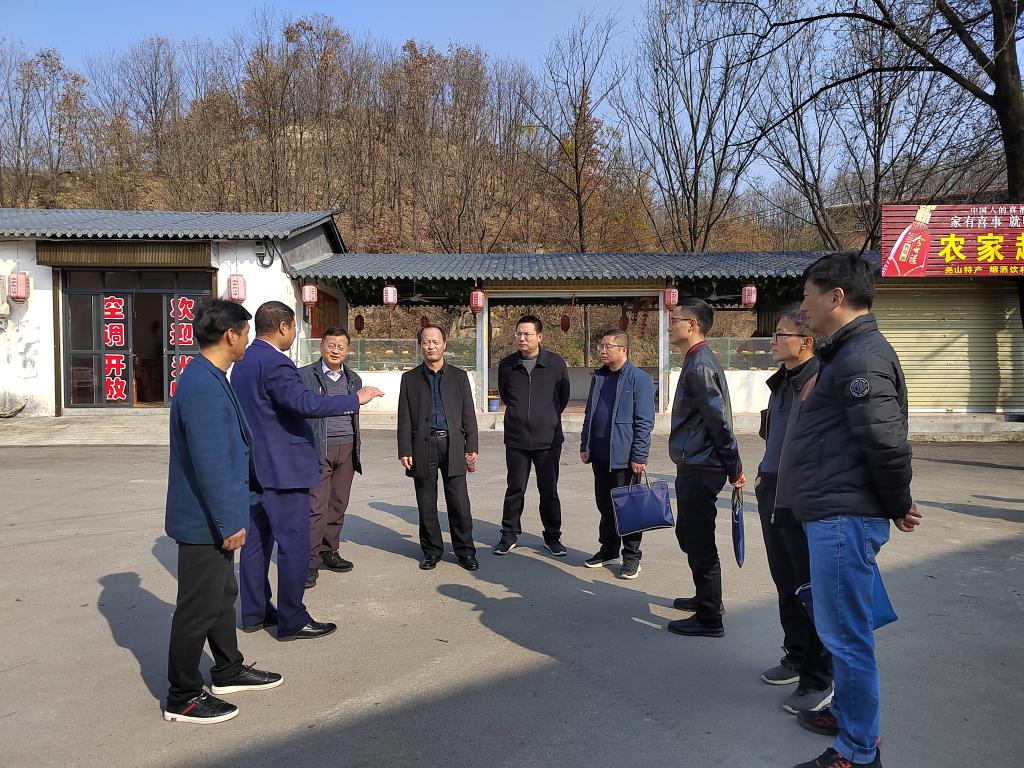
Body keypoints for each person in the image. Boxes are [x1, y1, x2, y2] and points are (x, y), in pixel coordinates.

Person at [788, 253, 921, 768]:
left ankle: (858, 751)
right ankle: (845, 712)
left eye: (808, 296)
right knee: (840, 630)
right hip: (836, 510)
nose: (804, 307)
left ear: (836, 297)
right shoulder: (847, 353)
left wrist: (897, 501)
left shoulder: (861, 358)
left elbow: (886, 443)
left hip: (844, 518)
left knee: (847, 638)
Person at [231, 301, 382, 641]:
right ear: (283, 327)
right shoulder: (277, 363)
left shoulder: (244, 361)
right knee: (294, 543)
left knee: (256, 543)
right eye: (294, 326)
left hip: (254, 465)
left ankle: (255, 612)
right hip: (284, 469)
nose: (294, 332)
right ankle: (292, 618)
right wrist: (355, 400)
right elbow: (305, 403)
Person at [163, 299, 282, 724]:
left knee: (221, 597)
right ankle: (182, 695)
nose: (248, 339)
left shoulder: (212, 376)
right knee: (196, 608)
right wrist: (229, 522)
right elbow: (211, 463)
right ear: (230, 335)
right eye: (246, 332)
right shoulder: (201, 385)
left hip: (214, 515)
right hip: (204, 521)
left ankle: (228, 669)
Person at [755, 308, 833, 716]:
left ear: (806, 341)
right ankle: (796, 654)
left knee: (809, 587)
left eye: (780, 334)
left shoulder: (821, 382)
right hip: (773, 489)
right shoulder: (782, 381)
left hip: (803, 497)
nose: (772, 339)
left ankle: (818, 678)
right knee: (785, 581)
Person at [665, 297, 745, 639]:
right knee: (690, 534)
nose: (670, 326)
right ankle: (704, 597)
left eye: (675, 320)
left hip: (702, 464)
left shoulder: (699, 366)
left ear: (693, 324)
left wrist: (734, 467)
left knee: (698, 539)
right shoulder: (697, 360)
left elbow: (719, 422)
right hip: (696, 461)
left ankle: (710, 616)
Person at [397, 324, 480, 571]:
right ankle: (431, 551)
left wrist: (471, 444)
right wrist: (405, 449)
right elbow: (404, 417)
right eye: (426, 342)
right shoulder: (410, 379)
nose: (431, 346)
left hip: (453, 445)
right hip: (423, 447)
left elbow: (468, 414)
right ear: (420, 345)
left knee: (459, 502)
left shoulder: (459, 376)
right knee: (426, 502)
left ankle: (465, 551)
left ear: (445, 344)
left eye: (435, 342)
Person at [579, 329, 655, 579]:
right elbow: (590, 413)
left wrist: (639, 456)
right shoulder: (599, 377)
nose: (602, 350)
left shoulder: (639, 379)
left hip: (624, 457)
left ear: (623, 350)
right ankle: (609, 549)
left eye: (607, 346)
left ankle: (632, 557)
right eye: (600, 346)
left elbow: (644, 421)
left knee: (628, 509)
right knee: (605, 506)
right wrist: (585, 443)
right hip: (600, 455)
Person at [494, 314, 571, 557]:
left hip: (548, 439)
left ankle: (552, 536)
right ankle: (509, 534)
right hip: (516, 439)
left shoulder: (555, 364)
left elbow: (563, 397)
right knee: (515, 488)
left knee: (549, 490)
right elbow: (506, 395)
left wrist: (545, 417)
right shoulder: (507, 365)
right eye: (518, 333)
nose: (522, 338)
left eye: (527, 334)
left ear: (540, 336)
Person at [299, 327, 363, 584]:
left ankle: (329, 551)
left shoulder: (353, 379)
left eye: (341, 347)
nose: (335, 351)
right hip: (318, 448)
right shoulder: (305, 376)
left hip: (347, 448)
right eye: (331, 345)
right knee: (315, 507)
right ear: (321, 347)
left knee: (338, 504)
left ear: (348, 351)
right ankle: (308, 561)